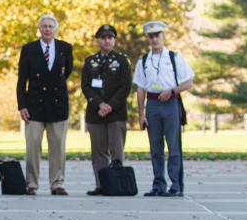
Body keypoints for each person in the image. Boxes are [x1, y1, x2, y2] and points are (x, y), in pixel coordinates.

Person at [133, 21, 194, 197]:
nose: (154, 39)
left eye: (157, 35)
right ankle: (158, 184)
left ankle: (176, 184)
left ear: (163, 37)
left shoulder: (174, 57)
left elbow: (188, 82)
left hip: (170, 102)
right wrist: (141, 114)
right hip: (152, 104)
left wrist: (172, 91)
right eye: (151, 36)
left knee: (174, 146)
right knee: (156, 148)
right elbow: (140, 88)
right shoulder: (143, 60)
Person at [16, 15, 73, 196]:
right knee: (33, 146)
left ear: (56, 30)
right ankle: (31, 183)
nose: (48, 29)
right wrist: (22, 106)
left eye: (51, 27)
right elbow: (21, 80)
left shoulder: (65, 48)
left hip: (57, 104)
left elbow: (66, 72)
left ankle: (56, 183)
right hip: (34, 105)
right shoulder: (28, 49)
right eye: (44, 26)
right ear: (40, 29)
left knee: (58, 146)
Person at [80, 24, 132, 195]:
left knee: (116, 151)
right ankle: (101, 184)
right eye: (103, 38)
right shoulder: (90, 61)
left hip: (115, 113)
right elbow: (86, 86)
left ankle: (116, 184)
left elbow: (125, 87)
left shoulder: (122, 60)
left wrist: (110, 105)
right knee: (98, 152)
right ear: (98, 40)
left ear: (114, 40)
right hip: (95, 113)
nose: (107, 41)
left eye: (110, 37)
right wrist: (99, 104)